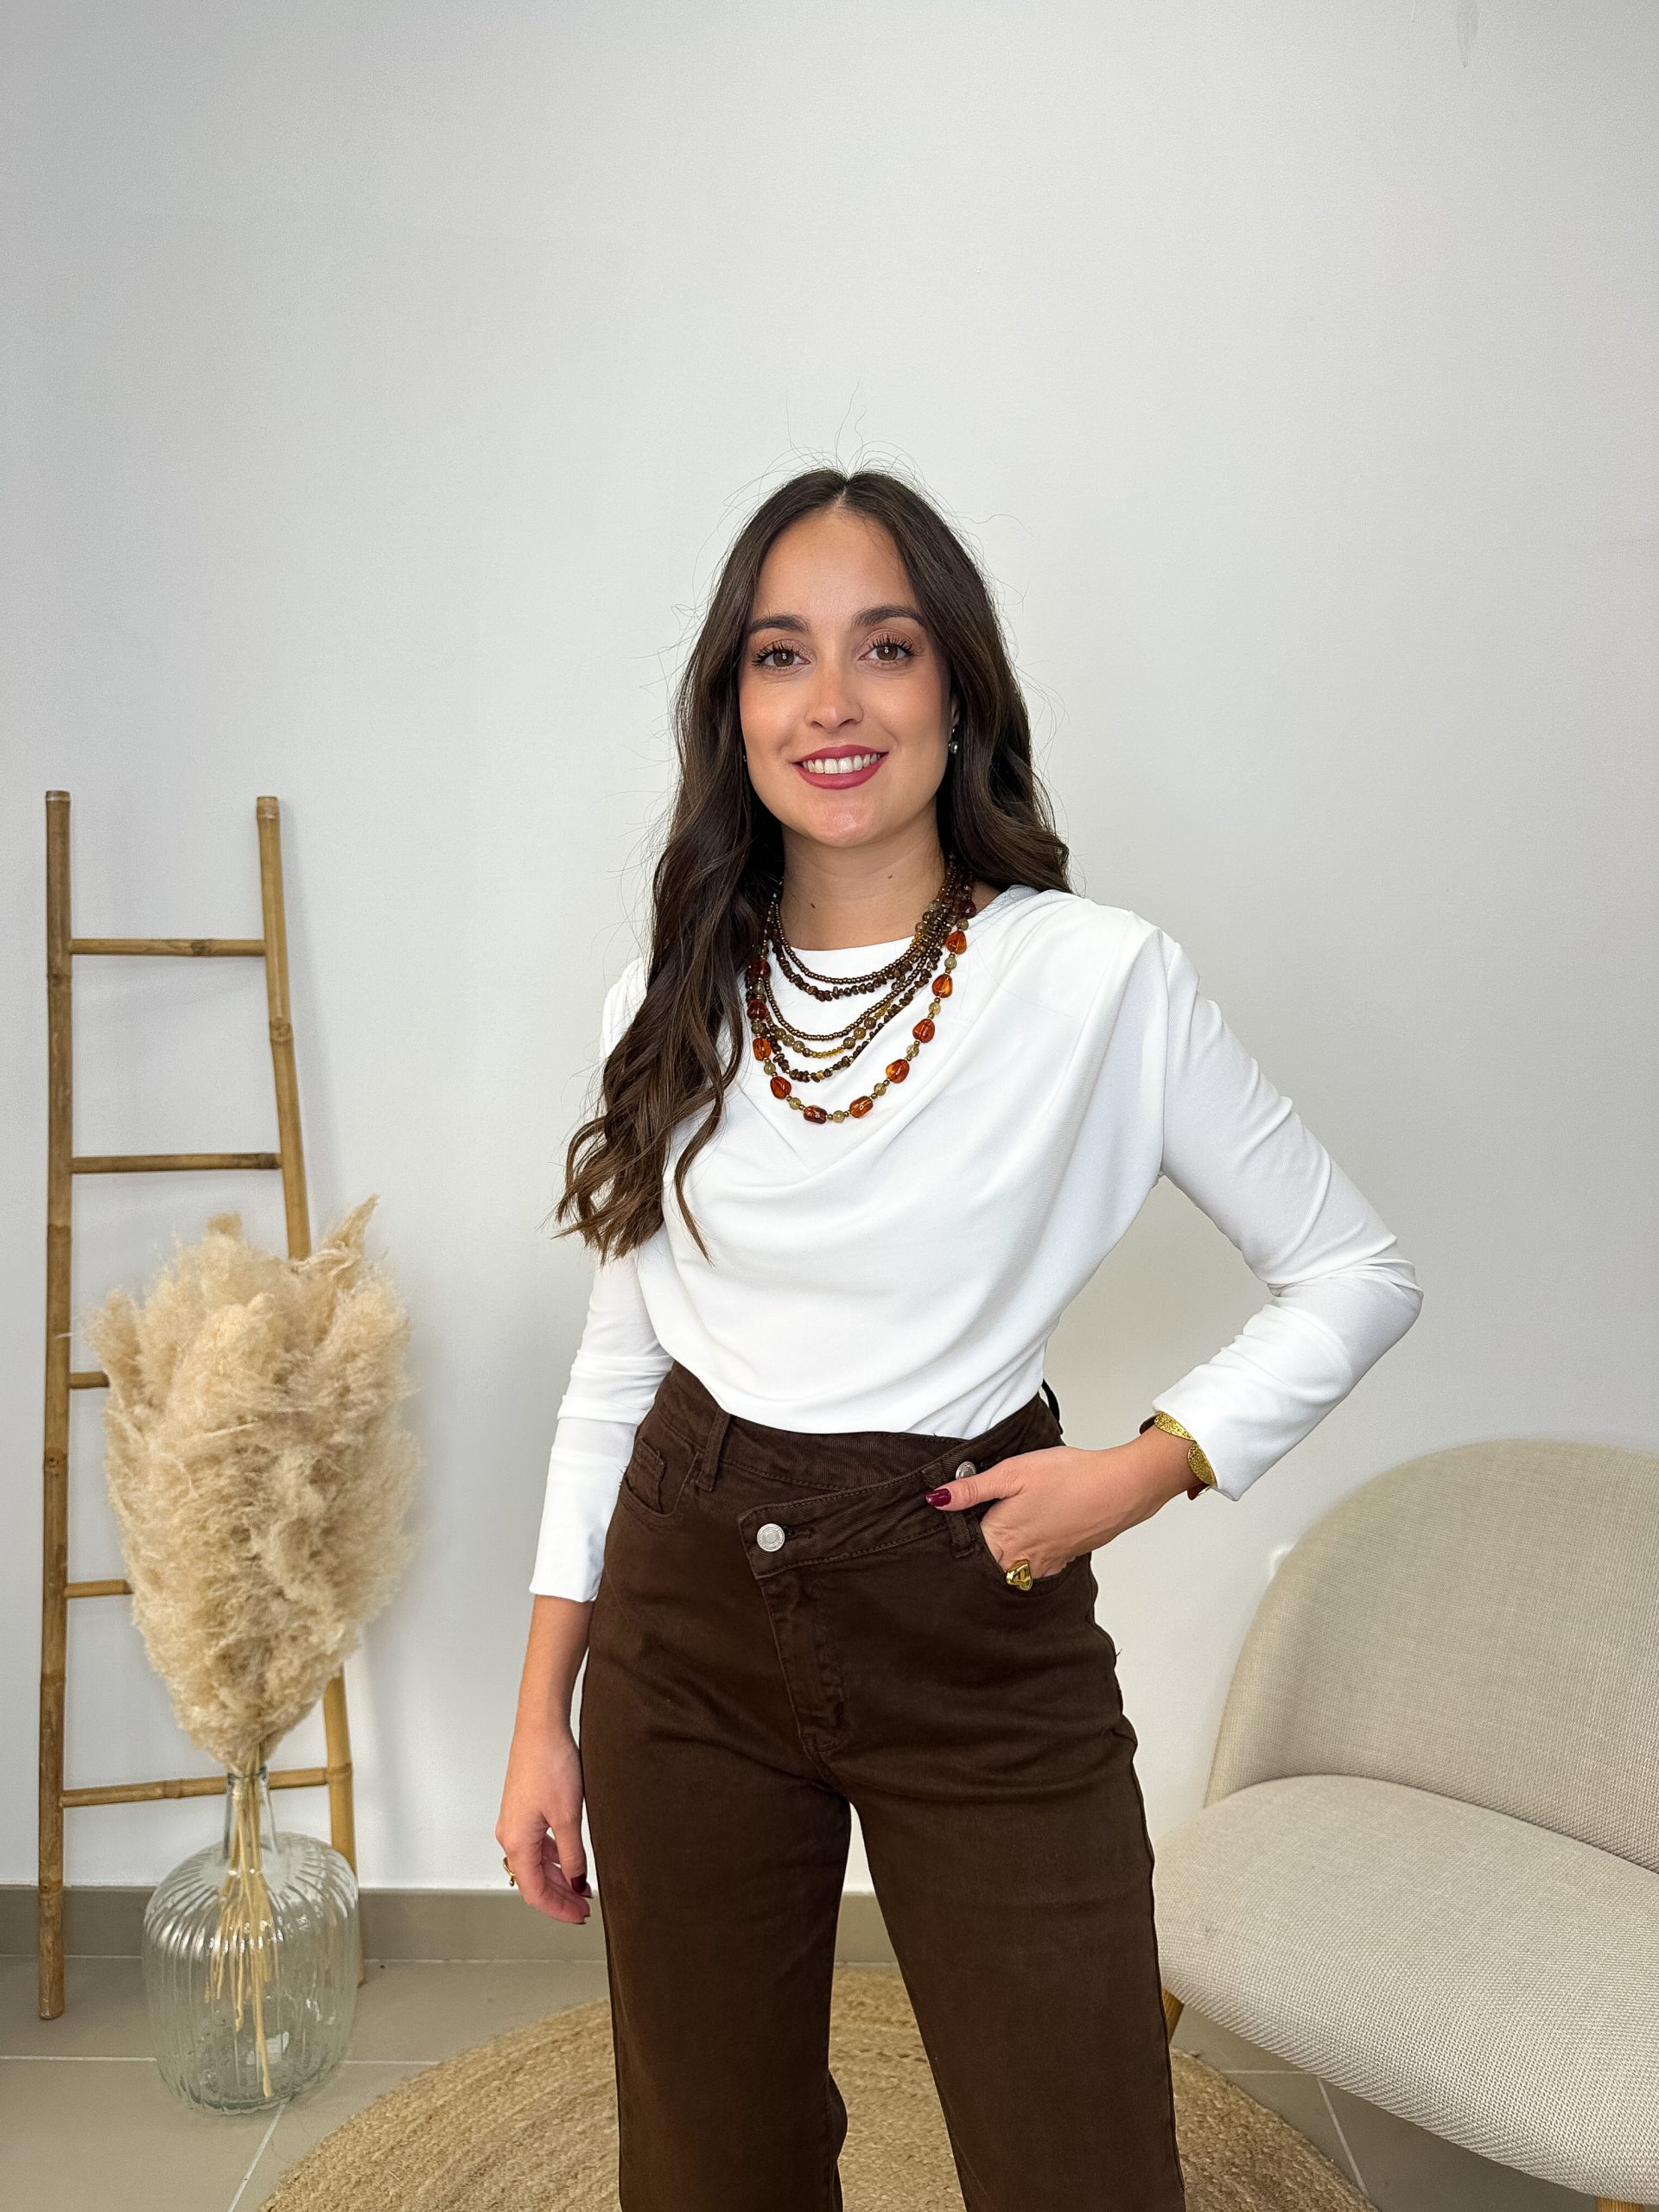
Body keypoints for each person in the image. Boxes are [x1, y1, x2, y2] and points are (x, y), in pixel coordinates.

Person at [497, 466, 1423, 2210]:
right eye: (781, 655)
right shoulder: (667, 996)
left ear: (957, 688)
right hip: (685, 1623)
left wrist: (1141, 1470)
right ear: (732, 707)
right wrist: (543, 1711)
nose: (832, 701)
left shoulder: (1095, 979)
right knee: (711, 2169)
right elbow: (620, 1372)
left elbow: (1355, 1270)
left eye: (886, 646)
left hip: (970, 1611)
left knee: (1082, 2163)